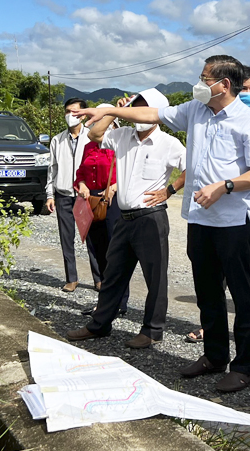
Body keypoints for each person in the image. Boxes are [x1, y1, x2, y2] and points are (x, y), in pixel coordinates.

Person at [72, 56, 250, 392]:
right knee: (207, 293)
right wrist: (110, 111)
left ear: (223, 84)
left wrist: (225, 187)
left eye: (204, 77)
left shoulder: (249, 122)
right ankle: (214, 356)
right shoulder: (195, 109)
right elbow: (152, 114)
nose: (199, 82)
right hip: (200, 221)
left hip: (233, 221)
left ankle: (245, 366)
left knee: (241, 295)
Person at [66, 88, 186, 349]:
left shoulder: (169, 143)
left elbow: (191, 167)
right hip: (124, 217)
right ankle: (99, 324)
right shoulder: (122, 136)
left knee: (156, 277)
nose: (139, 113)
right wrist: (111, 111)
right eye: (135, 107)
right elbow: (95, 134)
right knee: (113, 274)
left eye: (145, 108)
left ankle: (152, 331)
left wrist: (169, 190)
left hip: (151, 218)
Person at [185, 65, 250, 342]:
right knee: (220, 267)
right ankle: (214, 328)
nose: (248, 93)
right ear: (234, 87)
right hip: (225, 200)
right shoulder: (211, 115)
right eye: (245, 89)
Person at [75, 104, 129, 316]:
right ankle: (105, 300)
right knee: (97, 251)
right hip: (91, 201)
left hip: (112, 201)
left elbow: (128, 172)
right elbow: (80, 172)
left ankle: (120, 302)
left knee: (115, 252)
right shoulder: (89, 147)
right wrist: (81, 185)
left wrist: (116, 186)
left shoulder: (119, 145)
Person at [45, 98, 102, 293]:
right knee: (66, 238)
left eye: (75, 112)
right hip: (63, 195)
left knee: (93, 238)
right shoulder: (57, 140)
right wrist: (49, 194)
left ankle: (99, 278)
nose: (71, 116)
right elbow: (52, 169)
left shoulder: (93, 137)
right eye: (68, 112)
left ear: (84, 114)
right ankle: (71, 278)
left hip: (85, 196)